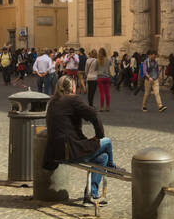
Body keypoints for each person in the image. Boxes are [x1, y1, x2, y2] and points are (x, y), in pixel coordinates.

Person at [43, 75, 118, 204]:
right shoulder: (73, 100)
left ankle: (90, 195)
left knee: (102, 158)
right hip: (69, 150)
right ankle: (113, 167)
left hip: (54, 152)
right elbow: (94, 114)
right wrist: (99, 136)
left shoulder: (53, 102)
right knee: (107, 141)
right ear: (72, 88)